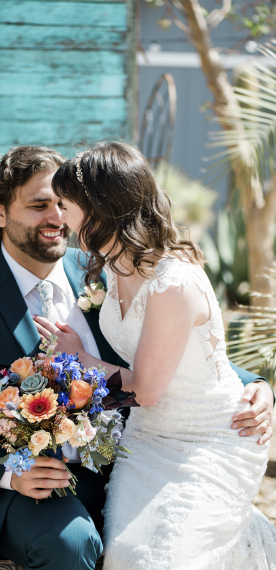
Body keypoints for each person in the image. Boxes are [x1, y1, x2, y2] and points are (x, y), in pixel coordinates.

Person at [0, 145, 273, 570]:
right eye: (39, 205)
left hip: (129, 460)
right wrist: (13, 471)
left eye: (63, 204)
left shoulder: (105, 264)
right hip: (26, 484)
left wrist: (255, 383)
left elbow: (173, 342)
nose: (57, 218)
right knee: (74, 546)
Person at [32, 140, 276, 569]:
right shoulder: (111, 264)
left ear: (99, 208)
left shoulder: (173, 283)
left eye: (66, 205)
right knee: (127, 554)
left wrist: (77, 357)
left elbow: (145, 389)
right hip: (147, 438)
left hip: (209, 438)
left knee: (161, 558)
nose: (60, 218)